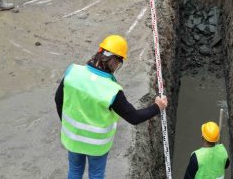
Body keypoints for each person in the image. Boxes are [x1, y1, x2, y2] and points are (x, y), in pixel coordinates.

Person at [55, 35, 168, 179]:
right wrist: (157, 107)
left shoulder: (73, 72)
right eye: (120, 62)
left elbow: (58, 100)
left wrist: (67, 125)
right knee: (96, 174)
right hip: (97, 145)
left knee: (75, 171)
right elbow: (134, 117)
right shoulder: (112, 91)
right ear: (114, 61)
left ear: (100, 51)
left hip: (73, 137)